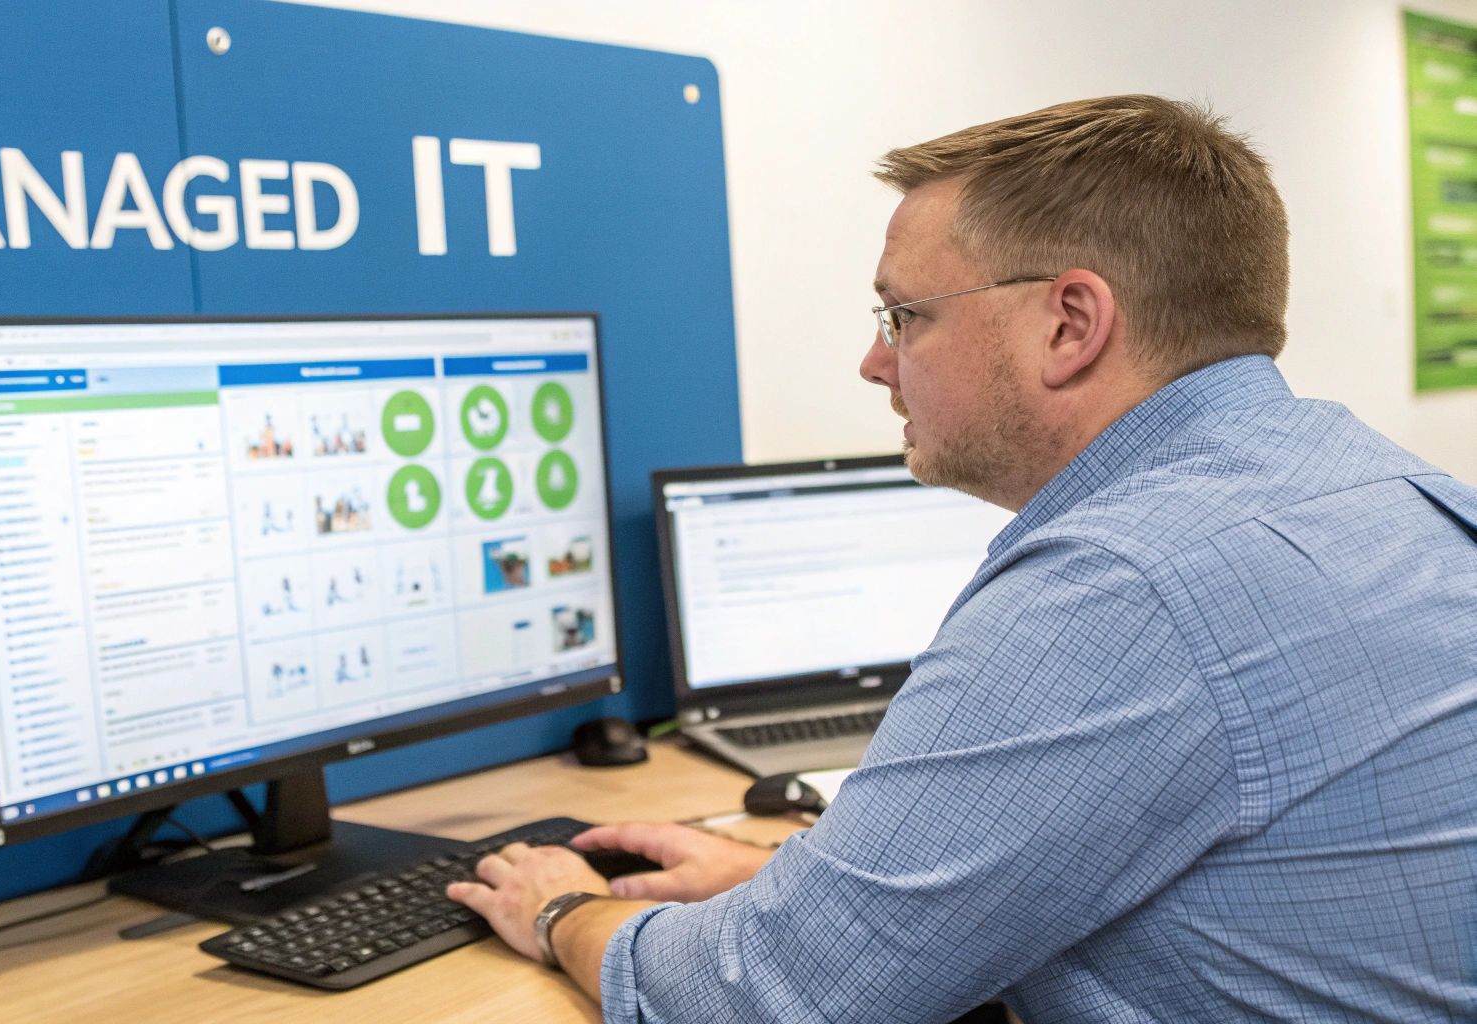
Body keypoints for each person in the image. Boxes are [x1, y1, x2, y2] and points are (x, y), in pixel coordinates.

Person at [445, 95, 1477, 1022]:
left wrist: (562, 909)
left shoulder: (1121, 584)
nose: (875, 361)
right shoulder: (1385, 487)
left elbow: (769, 999)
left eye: (905, 316)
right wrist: (792, 880)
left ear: (1069, 324)